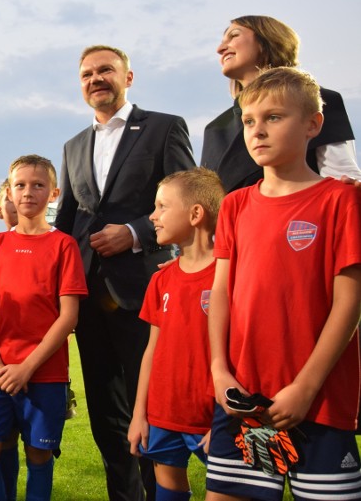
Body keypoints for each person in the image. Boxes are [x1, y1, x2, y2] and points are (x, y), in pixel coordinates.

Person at [206, 67, 361, 499]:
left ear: (313, 124)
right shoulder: (235, 205)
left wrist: (306, 387)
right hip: (242, 396)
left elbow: (349, 304)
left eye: (273, 117)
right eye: (249, 120)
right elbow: (220, 294)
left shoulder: (342, 199)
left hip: (319, 398)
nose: (258, 130)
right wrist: (219, 370)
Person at [55, 45, 195, 501]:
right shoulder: (73, 146)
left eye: (106, 70)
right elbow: (67, 225)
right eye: (87, 74)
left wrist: (136, 233)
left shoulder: (163, 127)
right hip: (89, 299)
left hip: (144, 294)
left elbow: (188, 198)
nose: (96, 79)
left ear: (128, 76)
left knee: (150, 408)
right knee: (107, 417)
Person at [0, 154, 87, 501]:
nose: (28, 192)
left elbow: (68, 317)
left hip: (44, 373)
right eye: (20, 185)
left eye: (38, 185)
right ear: (9, 191)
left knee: (38, 455)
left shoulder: (63, 245)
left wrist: (27, 368)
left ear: (53, 193)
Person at [127, 168, 224, 501]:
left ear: (196, 214)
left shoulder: (231, 275)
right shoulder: (161, 280)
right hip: (163, 414)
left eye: (162, 206)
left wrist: (226, 420)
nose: (153, 216)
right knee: (168, 489)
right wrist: (140, 414)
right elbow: (152, 351)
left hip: (213, 417)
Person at [202, 15, 361, 192]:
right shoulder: (214, 129)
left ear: (267, 40)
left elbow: (342, 177)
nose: (220, 48)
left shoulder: (321, 100)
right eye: (249, 122)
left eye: (234, 35)